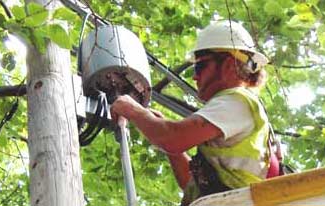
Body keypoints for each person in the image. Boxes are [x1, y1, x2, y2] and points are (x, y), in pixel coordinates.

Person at [110, 20, 277, 205]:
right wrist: (163, 134)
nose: (195, 76)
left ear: (230, 64)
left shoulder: (237, 101)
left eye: (200, 66)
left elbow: (172, 138)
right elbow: (192, 184)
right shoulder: (235, 110)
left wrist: (131, 109)